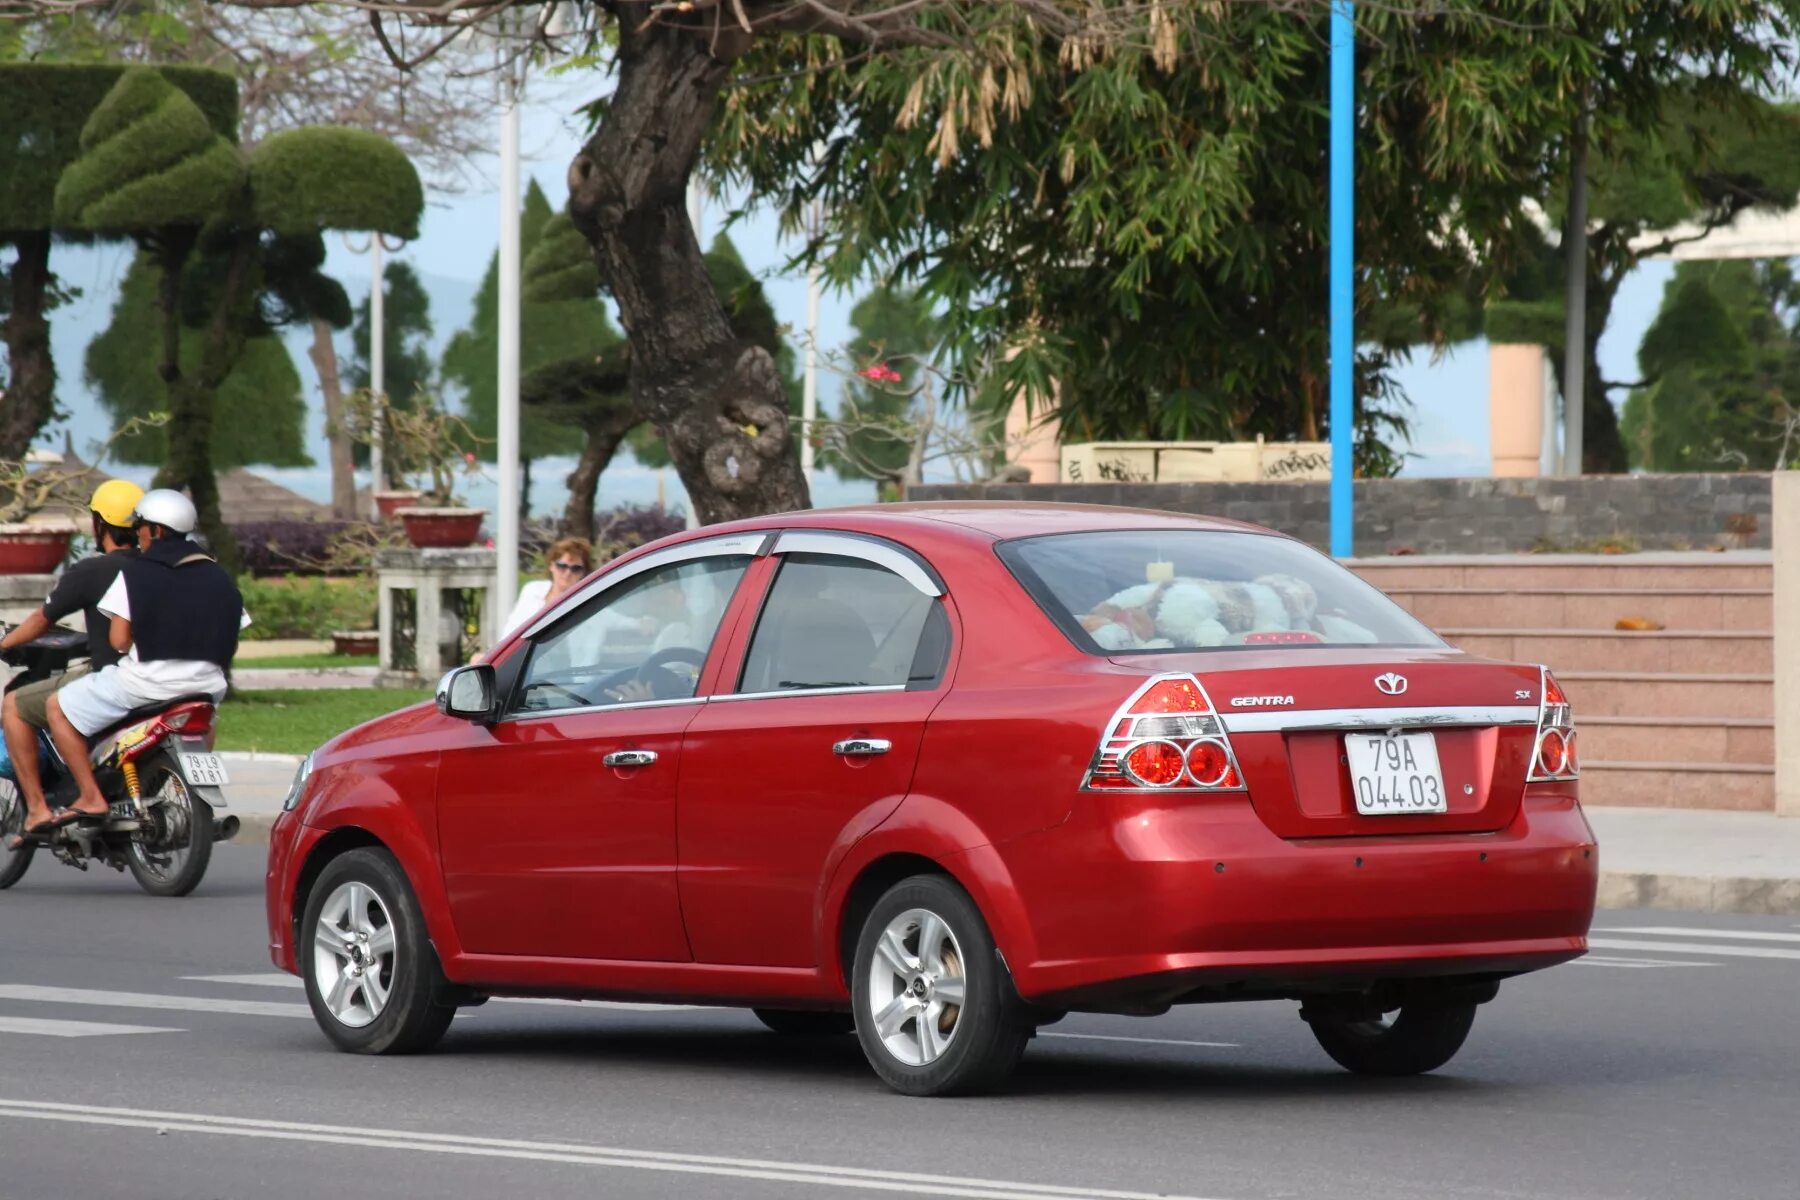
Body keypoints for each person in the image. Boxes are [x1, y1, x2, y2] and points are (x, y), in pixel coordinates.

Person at [41, 489, 247, 828]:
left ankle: (91, 796)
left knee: (56, 707)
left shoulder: (136, 574)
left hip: (145, 684)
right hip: (207, 686)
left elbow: (119, 641)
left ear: (157, 531)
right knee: (207, 720)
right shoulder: (217, 574)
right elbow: (233, 626)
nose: (138, 534)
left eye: (141, 527)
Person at [2, 480, 144, 847]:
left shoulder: (90, 571)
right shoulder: (157, 568)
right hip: (157, 674)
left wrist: (5, 643)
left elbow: (40, 621)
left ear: (100, 524)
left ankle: (36, 808)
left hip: (112, 677)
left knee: (15, 706)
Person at [497, 537, 596, 641]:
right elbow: (511, 631)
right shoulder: (532, 591)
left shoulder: (586, 603)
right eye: (562, 566)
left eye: (575, 568)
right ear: (551, 565)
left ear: (583, 573)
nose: (568, 573)